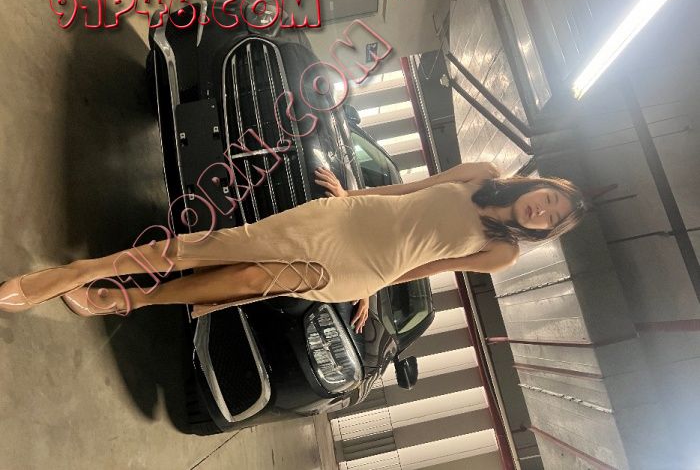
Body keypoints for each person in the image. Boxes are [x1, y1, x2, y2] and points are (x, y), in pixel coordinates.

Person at [0, 162, 590, 333]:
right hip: (343, 221)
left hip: (364, 269)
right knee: (211, 245)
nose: (542, 211)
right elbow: (407, 189)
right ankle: (80, 272)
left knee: (247, 282)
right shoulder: (481, 173)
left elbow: (429, 266)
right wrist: (350, 195)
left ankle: (124, 300)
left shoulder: (502, 253)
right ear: (541, 185)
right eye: (549, 199)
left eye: (552, 219)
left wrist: (373, 290)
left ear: (546, 230)